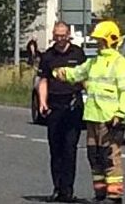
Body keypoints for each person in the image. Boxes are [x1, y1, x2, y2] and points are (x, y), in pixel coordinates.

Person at [54, 20, 125, 204]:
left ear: (109, 40)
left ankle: (114, 196)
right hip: (93, 117)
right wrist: (60, 72)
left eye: (100, 41)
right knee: (94, 156)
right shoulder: (94, 62)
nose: (98, 44)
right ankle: (101, 194)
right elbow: (78, 73)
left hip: (110, 119)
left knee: (110, 157)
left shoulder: (120, 63)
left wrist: (120, 114)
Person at [37, 22, 86, 203]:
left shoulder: (78, 53)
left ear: (68, 35)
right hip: (54, 106)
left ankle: (68, 191)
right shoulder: (48, 56)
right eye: (56, 36)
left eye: (62, 35)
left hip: (73, 105)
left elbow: (85, 77)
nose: (59, 39)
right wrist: (42, 102)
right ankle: (57, 188)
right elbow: (43, 81)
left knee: (70, 149)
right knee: (55, 149)